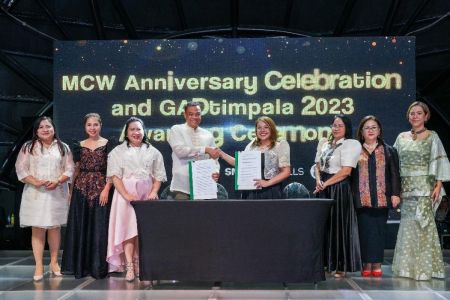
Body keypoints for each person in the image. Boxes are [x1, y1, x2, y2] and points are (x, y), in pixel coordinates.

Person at [392, 101, 450, 280]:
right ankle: (407, 269)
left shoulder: (433, 136)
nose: (415, 116)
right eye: (412, 113)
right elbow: (394, 165)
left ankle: (425, 270)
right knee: (407, 227)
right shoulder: (401, 138)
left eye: (419, 113)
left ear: (426, 116)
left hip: (426, 188)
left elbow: (439, 161)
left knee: (424, 226)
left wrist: (438, 185)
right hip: (406, 189)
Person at [106, 117, 166, 281]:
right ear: (126, 132)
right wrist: (126, 195)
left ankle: (141, 263)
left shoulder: (153, 151)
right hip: (125, 195)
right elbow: (115, 176)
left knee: (142, 230)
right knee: (128, 231)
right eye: (132, 129)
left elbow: (158, 175)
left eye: (139, 129)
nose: (136, 132)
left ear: (143, 131)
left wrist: (154, 191)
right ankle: (130, 266)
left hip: (146, 195)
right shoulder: (117, 152)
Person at [15, 116, 74, 281]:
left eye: (48, 126)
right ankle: (39, 264)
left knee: (55, 228)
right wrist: (36, 182)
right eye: (41, 127)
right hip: (36, 193)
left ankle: (54, 263)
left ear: (54, 128)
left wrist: (58, 181)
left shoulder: (63, 147)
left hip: (57, 192)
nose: (45, 129)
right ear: (36, 130)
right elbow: (20, 168)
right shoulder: (29, 147)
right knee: (38, 228)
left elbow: (70, 169)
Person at [61, 113, 113, 279]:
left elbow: (112, 171)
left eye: (95, 124)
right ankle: (80, 266)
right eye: (89, 125)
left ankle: (98, 267)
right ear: (85, 127)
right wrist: (70, 192)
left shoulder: (108, 144)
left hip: (101, 189)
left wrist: (106, 188)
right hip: (81, 189)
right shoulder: (78, 145)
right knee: (80, 226)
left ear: (101, 125)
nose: (92, 128)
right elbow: (76, 170)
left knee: (99, 227)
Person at [352, 115, 401, 277]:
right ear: (362, 132)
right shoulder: (355, 150)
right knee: (364, 232)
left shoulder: (389, 150)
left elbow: (394, 174)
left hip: (382, 198)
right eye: (367, 128)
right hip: (361, 199)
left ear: (379, 131)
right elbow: (350, 176)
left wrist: (395, 194)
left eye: (374, 127)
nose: (371, 130)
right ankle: (366, 263)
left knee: (379, 232)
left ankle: (377, 263)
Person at [314, 114, 362, 277]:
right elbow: (317, 165)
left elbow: (346, 171)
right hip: (324, 186)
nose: (336, 128)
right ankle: (327, 262)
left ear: (346, 127)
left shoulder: (351, 144)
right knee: (324, 226)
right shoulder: (324, 143)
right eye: (334, 125)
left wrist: (326, 184)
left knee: (339, 225)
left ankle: (341, 265)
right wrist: (319, 180)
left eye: (340, 125)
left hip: (339, 188)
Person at [219, 116, 291, 199]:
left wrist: (267, 183)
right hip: (251, 192)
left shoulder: (280, 146)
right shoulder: (251, 146)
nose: (262, 130)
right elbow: (240, 164)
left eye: (266, 127)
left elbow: (286, 172)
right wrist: (222, 154)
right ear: (256, 130)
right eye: (259, 128)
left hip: (271, 192)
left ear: (272, 129)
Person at [168, 101, 220, 199]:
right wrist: (205, 149)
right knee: (182, 214)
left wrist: (216, 171)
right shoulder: (176, 129)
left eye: (197, 114)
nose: (194, 117)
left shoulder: (208, 134)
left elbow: (215, 158)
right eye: (191, 114)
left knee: (206, 214)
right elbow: (180, 151)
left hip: (204, 185)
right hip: (183, 186)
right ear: (185, 115)